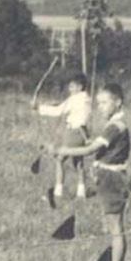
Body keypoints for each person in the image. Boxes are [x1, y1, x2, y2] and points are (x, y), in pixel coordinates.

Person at [54, 82, 130, 261]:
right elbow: (96, 146)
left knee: (116, 229)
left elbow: (90, 150)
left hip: (113, 181)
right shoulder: (114, 125)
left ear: (118, 102)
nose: (100, 107)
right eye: (98, 103)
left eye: (104, 102)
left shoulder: (115, 126)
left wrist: (66, 151)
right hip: (108, 179)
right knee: (114, 227)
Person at [33, 72, 92, 200]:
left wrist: (38, 108)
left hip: (73, 132)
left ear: (80, 87)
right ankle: (81, 193)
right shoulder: (87, 99)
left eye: (72, 86)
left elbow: (58, 111)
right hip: (83, 134)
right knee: (78, 162)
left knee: (59, 159)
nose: (69, 89)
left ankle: (58, 192)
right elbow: (63, 106)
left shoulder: (75, 99)